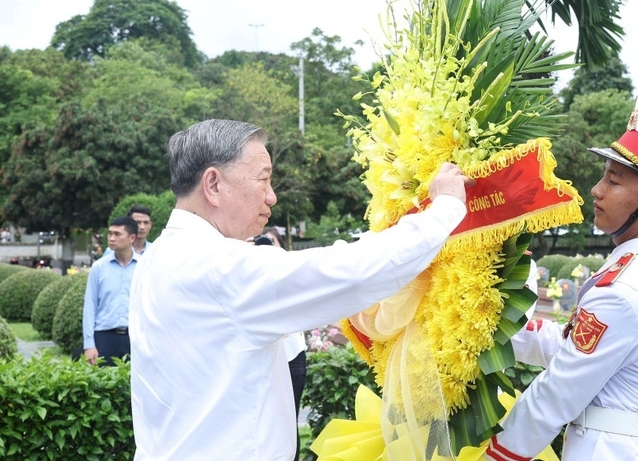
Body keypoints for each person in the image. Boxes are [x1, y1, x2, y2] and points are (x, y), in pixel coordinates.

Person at [128, 119, 473, 461]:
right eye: (263, 179)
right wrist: (444, 208)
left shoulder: (158, 257)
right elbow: (349, 274)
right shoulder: (218, 267)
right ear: (214, 184)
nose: (272, 197)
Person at [485, 91, 638, 461]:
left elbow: (556, 393)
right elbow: (578, 351)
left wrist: (494, 456)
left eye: (614, 181)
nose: (596, 189)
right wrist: (494, 329)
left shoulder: (627, 288)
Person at [254, 226, 308, 461]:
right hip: (263, 358)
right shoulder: (246, 276)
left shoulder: (290, 273)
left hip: (292, 354)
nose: (265, 245)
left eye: (271, 241)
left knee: (288, 421)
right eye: (260, 241)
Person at [82, 216, 140, 367]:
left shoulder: (143, 266)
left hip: (135, 337)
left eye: (117, 234)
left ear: (132, 238)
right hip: (104, 337)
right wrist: (89, 344)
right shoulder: (99, 267)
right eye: (110, 233)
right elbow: (90, 306)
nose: (112, 238)